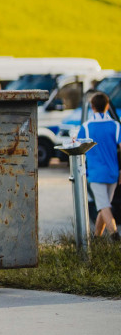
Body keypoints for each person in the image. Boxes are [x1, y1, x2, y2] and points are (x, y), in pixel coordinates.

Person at [74, 93, 120, 239]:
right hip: (113, 172)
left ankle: (115, 235)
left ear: (92, 107)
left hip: (95, 173)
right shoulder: (116, 125)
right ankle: (96, 237)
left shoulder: (86, 127)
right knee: (104, 205)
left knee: (103, 206)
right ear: (107, 106)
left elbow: (77, 145)